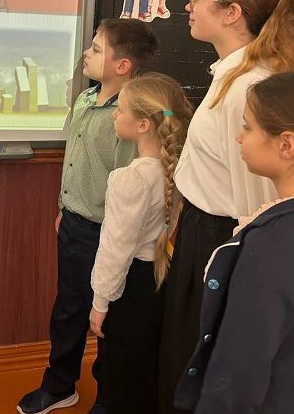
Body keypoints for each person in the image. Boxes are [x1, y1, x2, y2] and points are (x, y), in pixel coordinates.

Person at [158, 0, 294, 413]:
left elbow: (258, 206)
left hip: (219, 241)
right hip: (200, 233)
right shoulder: (231, 75)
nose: (188, 5)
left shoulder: (247, 89)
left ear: (231, 12)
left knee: (201, 367)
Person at [175, 71, 294, 413]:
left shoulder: (275, 246)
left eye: (247, 127)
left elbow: (237, 377)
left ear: (286, 144)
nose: (239, 137)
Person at [18, 19, 158, 414]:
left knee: (108, 320)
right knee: (68, 310)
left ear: (122, 65)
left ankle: (109, 397)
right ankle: (59, 385)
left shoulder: (128, 116)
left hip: (108, 234)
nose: (87, 53)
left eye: (97, 49)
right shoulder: (85, 99)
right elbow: (74, 162)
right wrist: (65, 208)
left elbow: (128, 189)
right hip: (73, 227)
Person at [89, 73, 192, 414]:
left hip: (131, 288)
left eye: (119, 110)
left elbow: (115, 248)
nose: (114, 115)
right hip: (160, 279)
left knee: (122, 369)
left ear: (143, 124)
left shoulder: (130, 179)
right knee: (147, 365)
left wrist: (100, 302)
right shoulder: (175, 171)